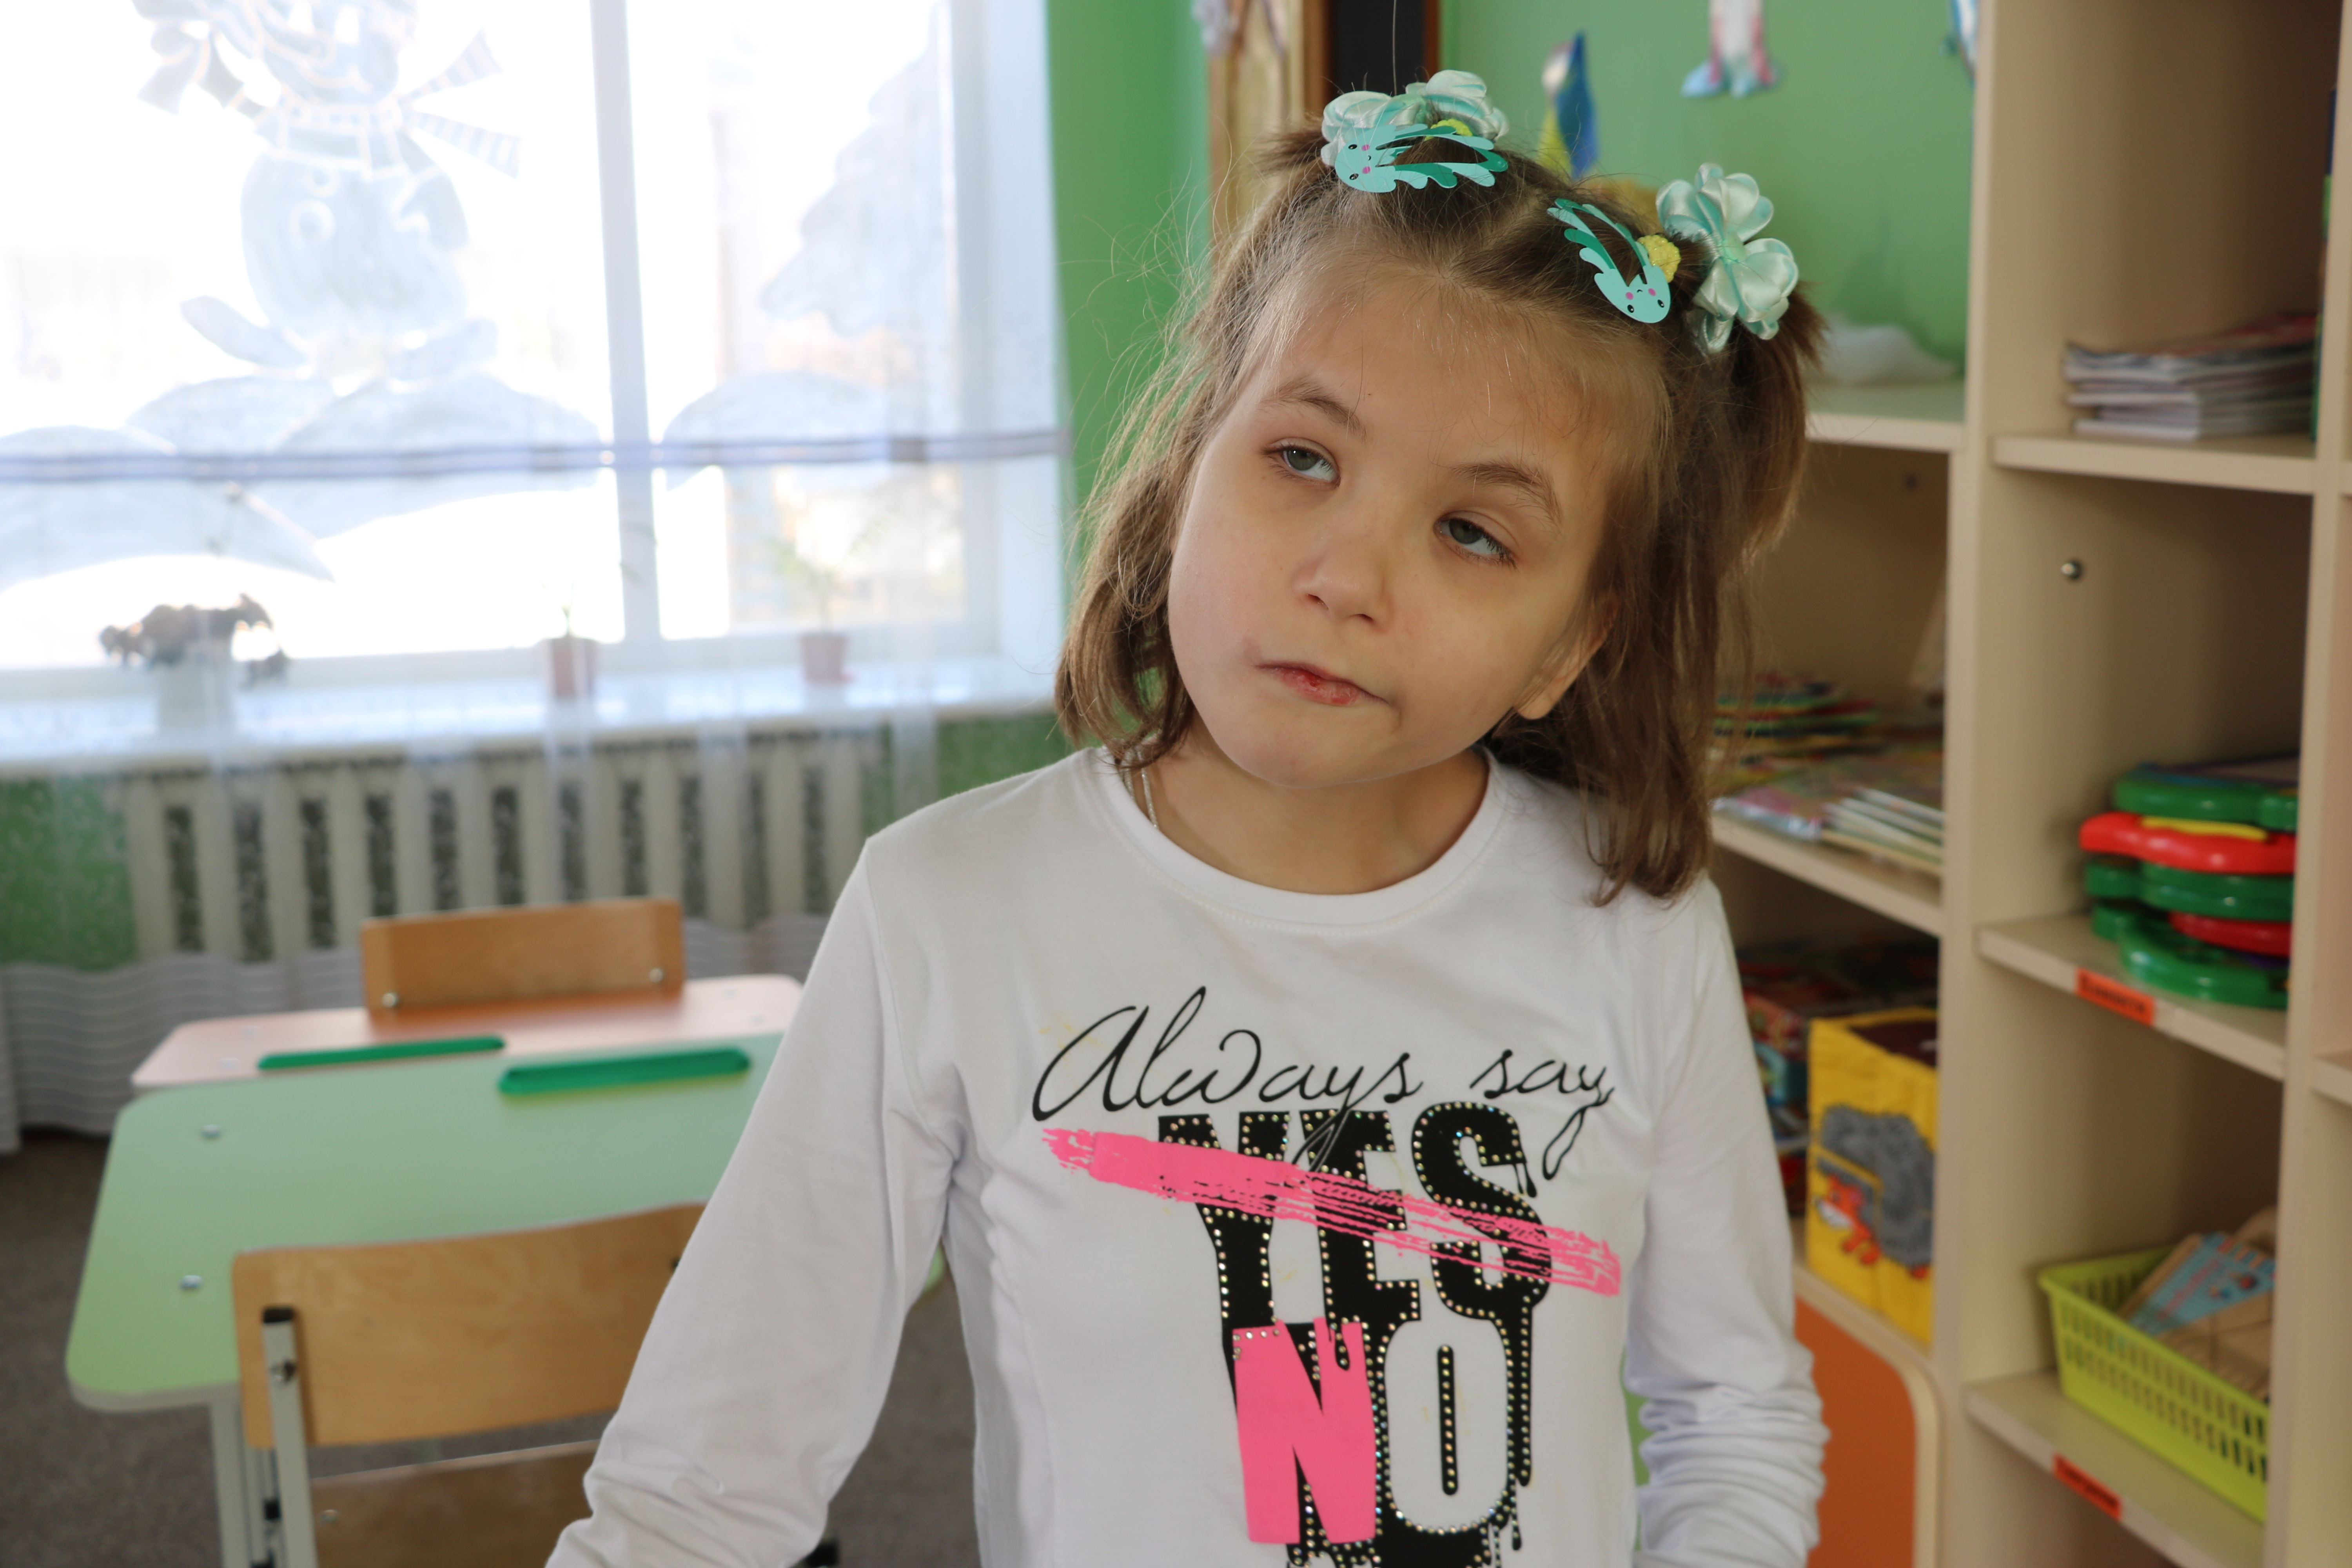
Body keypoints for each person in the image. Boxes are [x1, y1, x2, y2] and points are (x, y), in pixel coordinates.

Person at [551, 71, 1826, 1568]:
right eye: (1304, 458)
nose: (1348, 575)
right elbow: (700, 1490)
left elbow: (1735, 1416)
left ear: (1569, 645)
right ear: (1187, 469)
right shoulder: (949, 908)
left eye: (1473, 532)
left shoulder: (1639, 927)